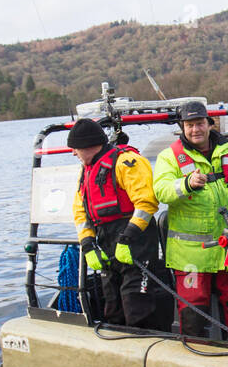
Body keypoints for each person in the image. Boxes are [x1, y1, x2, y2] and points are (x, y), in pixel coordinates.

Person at [153, 100, 228, 339]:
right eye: (189, 125)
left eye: (199, 123)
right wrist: (186, 184)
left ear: (209, 124)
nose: (195, 129)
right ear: (182, 127)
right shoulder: (169, 158)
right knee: (193, 312)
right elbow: (161, 191)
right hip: (191, 255)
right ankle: (196, 360)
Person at [68, 118, 163, 327]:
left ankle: (145, 347)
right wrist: (87, 244)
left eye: (75, 148)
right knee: (112, 306)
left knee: (137, 306)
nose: (73, 153)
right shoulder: (86, 170)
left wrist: (128, 237)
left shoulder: (127, 162)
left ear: (88, 145)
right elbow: (80, 211)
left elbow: (146, 203)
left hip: (136, 241)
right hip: (105, 242)